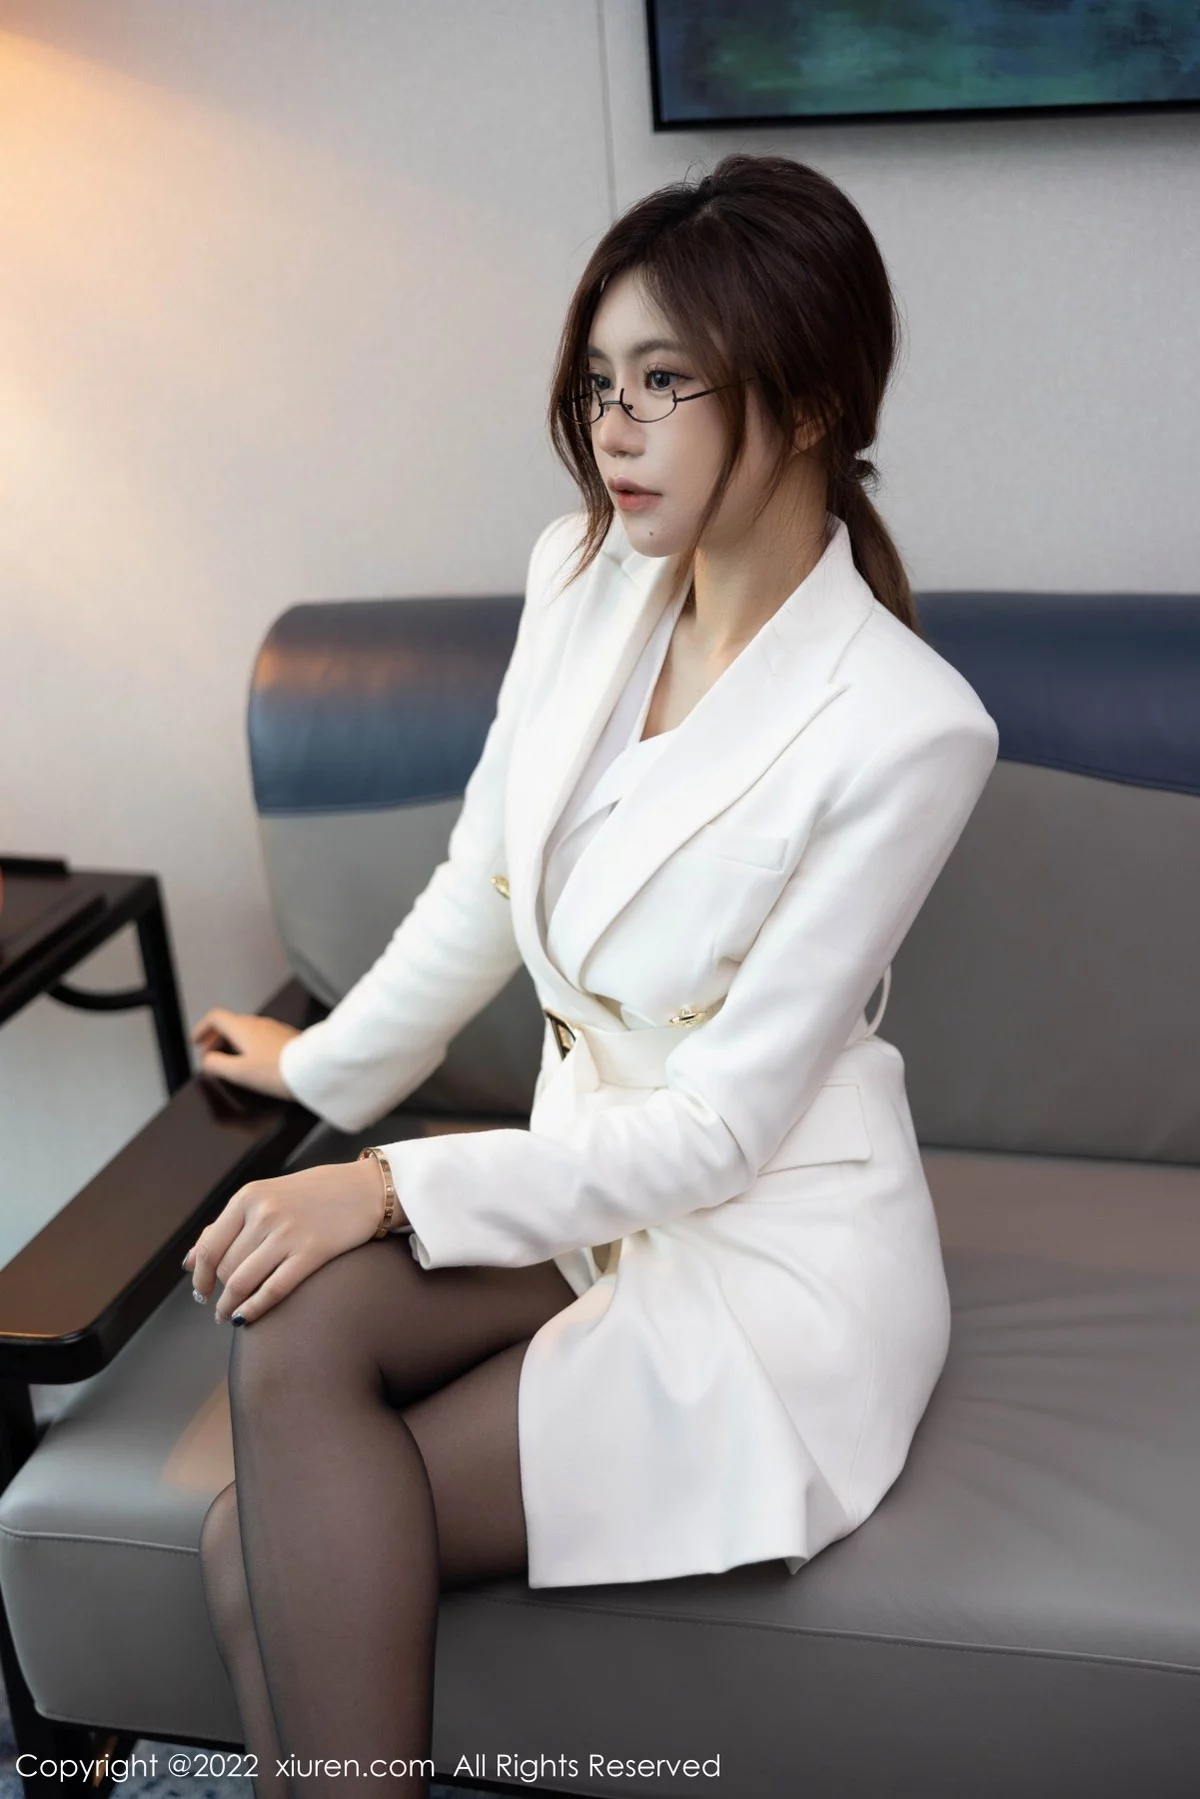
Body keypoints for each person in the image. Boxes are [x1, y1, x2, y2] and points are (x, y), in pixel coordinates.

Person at [189, 152, 1000, 1797]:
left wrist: (385, 1183)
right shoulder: (580, 578)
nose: (614, 428)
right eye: (598, 383)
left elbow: (719, 1132)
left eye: (663, 383)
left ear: (810, 401)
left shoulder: (913, 727)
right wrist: (319, 1071)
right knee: (287, 1329)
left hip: (758, 1256)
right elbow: (485, 883)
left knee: (240, 1552)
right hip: (588, 1198)